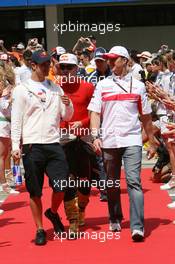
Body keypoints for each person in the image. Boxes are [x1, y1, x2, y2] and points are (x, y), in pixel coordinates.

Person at [88, 46, 157, 242]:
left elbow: (146, 116)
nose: (110, 62)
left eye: (114, 59)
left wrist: (151, 143)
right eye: (108, 59)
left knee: (134, 182)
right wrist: (95, 136)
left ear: (125, 61)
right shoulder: (102, 85)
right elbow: (95, 113)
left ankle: (137, 227)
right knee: (112, 183)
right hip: (109, 140)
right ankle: (115, 216)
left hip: (132, 140)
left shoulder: (138, 86)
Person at [11, 50, 74, 246]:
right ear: (33, 65)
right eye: (43, 64)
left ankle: (53, 212)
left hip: (53, 143)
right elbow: (16, 119)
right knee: (35, 191)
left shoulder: (56, 88)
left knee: (61, 185)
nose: (47, 67)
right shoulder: (22, 89)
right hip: (32, 145)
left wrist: (69, 104)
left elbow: (67, 116)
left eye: (48, 63)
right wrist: (15, 145)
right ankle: (39, 228)